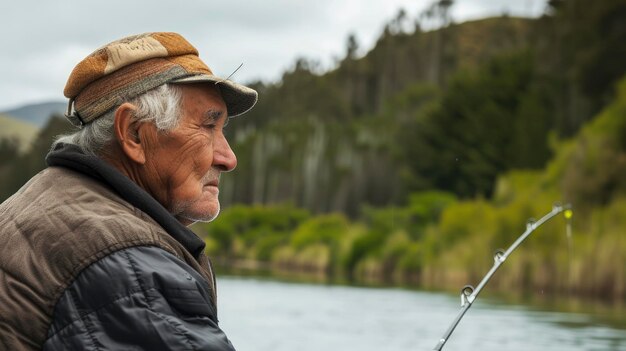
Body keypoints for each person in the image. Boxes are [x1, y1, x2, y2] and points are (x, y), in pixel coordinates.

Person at [0, 32, 257, 350]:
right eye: (207, 127)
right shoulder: (133, 270)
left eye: (222, 130)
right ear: (134, 133)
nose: (229, 158)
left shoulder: (36, 201)